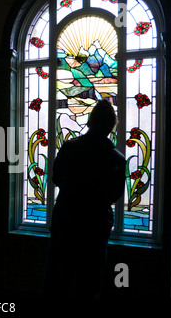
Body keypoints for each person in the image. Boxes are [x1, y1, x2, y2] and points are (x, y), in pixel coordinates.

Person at [44, 99, 126, 298]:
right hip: (95, 228)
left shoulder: (70, 148)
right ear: (111, 127)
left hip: (66, 223)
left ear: (90, 122)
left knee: (59, 282)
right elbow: (115, 195)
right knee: (88, 285)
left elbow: (56, 178)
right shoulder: (117, 158)